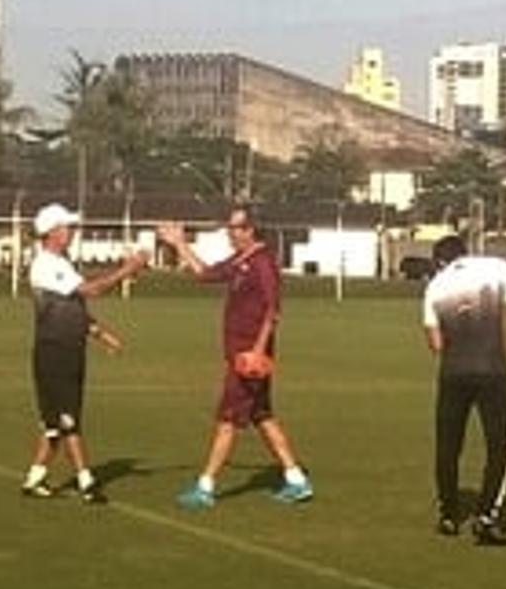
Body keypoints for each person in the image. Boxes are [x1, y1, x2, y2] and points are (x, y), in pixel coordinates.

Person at [157, 206, 314, 508]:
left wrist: (257, 350)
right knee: (262, 416)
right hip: (238, 355)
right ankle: (296, 479)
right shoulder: (241, 260)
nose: (230, 232)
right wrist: (179, 244)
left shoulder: (263, 262)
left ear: (250, 230)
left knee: (228, 419)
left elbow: (273, 310)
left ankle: (205, 486)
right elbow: (205, 274)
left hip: (249, 359)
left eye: (235, 227)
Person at [21, 203, 147, 501]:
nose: (72, 232)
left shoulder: (61, 263)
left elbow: (74, 309)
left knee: (55, 422)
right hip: (56, 351)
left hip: (67, 348)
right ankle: (86, 481)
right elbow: (90, 291)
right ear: (52, 232)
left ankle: (35, 477)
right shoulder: (47, 264)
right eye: (67, 227)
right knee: (68, 420)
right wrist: (127, 270)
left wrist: (100, 334)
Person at [421, 234, 506, 545]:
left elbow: (436, 343)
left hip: (453, 373)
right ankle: (487, 515)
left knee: (448, 444)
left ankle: (449, 515)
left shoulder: (435, 287)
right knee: (499, 444)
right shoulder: (498, 267)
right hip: (493, 370)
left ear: (439, 261)